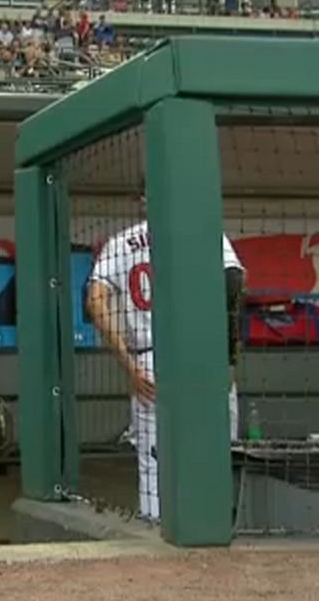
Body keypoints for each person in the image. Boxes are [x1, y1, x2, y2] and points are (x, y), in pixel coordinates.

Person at [85, 201, 244, 521]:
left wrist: (129, 365)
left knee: (155, 463)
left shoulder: (120, 244)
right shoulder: (204, 234)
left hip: (149, 359)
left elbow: (95, 302)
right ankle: (219, 528)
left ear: (142, 201)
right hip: (203, 355)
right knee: (218, 452)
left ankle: (155, 540)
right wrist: (227, 359)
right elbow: (233, 282)